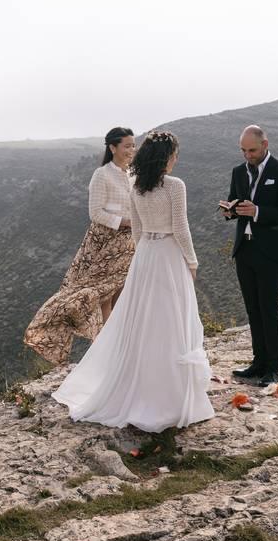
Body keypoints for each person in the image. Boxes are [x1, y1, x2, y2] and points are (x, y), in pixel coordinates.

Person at [52, 130, 215, 432]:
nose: (176, 159)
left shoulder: (137, 186)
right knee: (170, 320)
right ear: (167, 157)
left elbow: (138, 231)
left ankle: (138, 384)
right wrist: (191, 261)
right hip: (167, 255)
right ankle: (171, 393)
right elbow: (181, 229)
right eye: (175, 154)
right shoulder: (175, 187)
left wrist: (144, 257)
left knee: (143, 321)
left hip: (145, 257)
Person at [23, 127, 137, 365]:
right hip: (104, 242)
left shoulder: (133, 173)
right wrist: (123, 221)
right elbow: (95, 212)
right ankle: (105, 352)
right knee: (101, 294)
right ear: (112, 147)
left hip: (128, 243)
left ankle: (114, 349)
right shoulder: (102, 174)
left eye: (133, 145)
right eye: (127, 146)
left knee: (119, 293)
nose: (131, 150)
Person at [221, 125, 278, 388]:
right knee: (253, 309)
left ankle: (273, 368)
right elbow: (235, 200)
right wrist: (230, 210)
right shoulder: (238, 172)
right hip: (244, 249)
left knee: (270, 309)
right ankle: (258, 363)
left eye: (252, 150)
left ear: (265, 144)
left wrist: (257, 211)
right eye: (243, 150)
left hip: (270, 252)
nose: (247, 155)